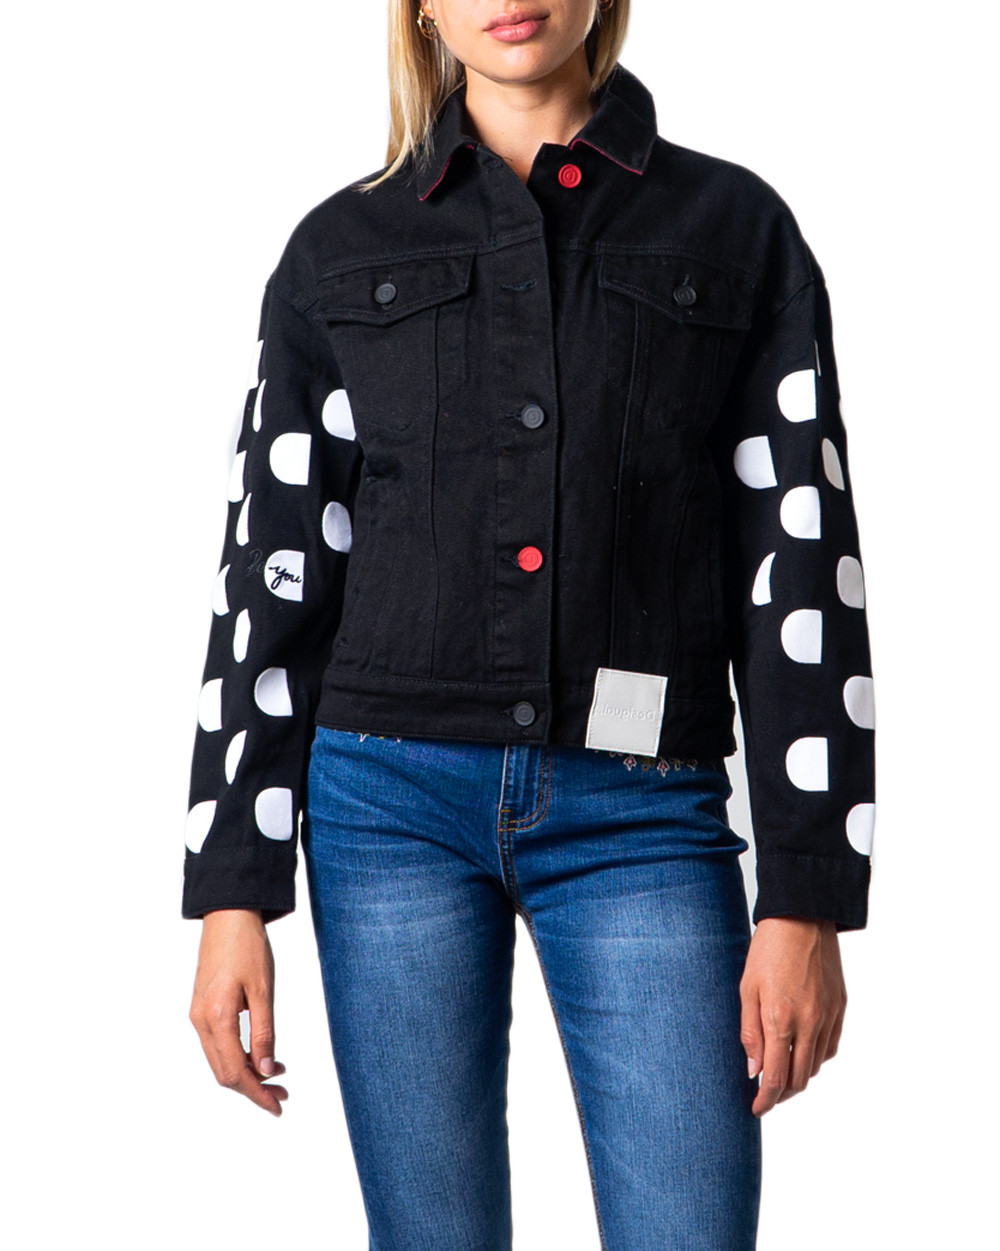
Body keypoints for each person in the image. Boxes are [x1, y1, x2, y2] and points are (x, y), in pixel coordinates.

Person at [183, 2, 876, 1247]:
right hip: (384, 811)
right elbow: (273, 574)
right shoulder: (338, 248)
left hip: (643, 810)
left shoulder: (734, 230)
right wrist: (232, 889)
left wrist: (806, 896)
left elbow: (802, 571)